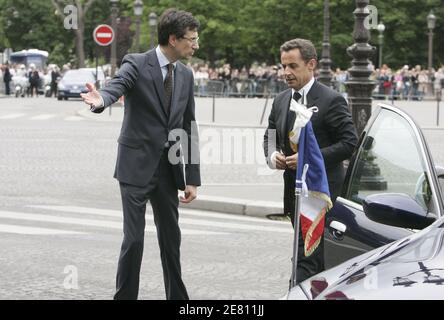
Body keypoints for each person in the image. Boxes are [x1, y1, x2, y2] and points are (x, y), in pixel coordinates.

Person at [80, 9, 201, 300]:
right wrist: (101, 101)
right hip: (135, 166)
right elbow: (116, 86)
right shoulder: (136, 63)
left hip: (168, 170)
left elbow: (189, 127)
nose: (196, 45)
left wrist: (192, 178)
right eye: (192, 40)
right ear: (173, 39)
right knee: (133, 240)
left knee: (171, 240)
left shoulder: (185, 74)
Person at [263, 38, 358, 283]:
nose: (286, 72)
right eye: (283, 66)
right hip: (294, 195)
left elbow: (349, 143)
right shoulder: (281, 99)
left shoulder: (331, 99)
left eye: (293, 66)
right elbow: (270, 136)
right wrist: (273, 156)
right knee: (305, 256)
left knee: (308, 258)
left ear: (311, 64)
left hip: (322, 194)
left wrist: (309, 159)